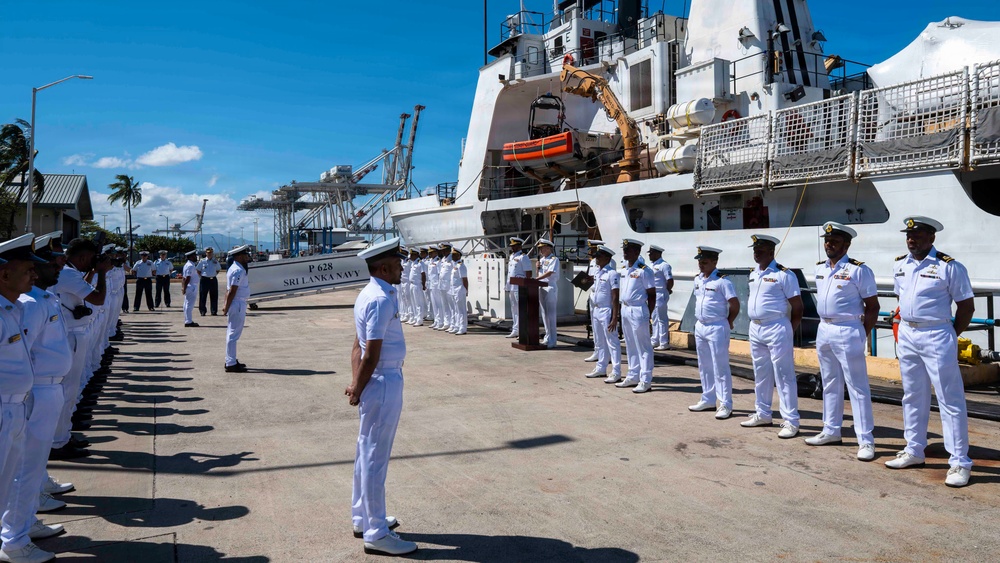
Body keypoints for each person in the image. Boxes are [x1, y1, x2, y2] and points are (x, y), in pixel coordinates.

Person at [887, 216, 974, 487]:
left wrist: (950, 335)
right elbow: (901, 300)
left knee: (950, 399)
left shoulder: (949, 267)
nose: (912, 240)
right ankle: (914, 450)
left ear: (932, 238)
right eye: (909, 235)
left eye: (919, 235)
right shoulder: (900, 265)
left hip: (937, 333)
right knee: (912, 395)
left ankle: (960, 461)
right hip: (909, 333)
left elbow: (966, 307)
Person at [344, 237, 417, 556]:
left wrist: (356, 383)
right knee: (375, 457)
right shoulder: (381, 299)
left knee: (365, 451)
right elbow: (370, 353)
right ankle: (376, 532)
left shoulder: (370, 293)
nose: (402, 268)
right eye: (398, 264)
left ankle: (363, 517)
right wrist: (358, 386)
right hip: (383, 379)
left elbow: (356, 345)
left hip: (375, 379)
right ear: (384, 268)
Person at [1, 234, 71, 561]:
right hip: (22, 400)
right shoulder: (24, 307)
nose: (35, 274)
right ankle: (14, 539)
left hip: (27, 397)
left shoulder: (17, 306)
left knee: (25, 468)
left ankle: (23, 525)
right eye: (28, 269)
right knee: (21, 471)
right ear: (4, 274)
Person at [806, 222, 880, 461]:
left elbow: (873, 306)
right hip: (824, 328)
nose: (829, 244)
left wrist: (862, 334)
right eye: (827, 241)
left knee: (857, 387)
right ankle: (831, 430)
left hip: (848, 329)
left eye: (835, 241)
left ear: (846, 245)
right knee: (829, 383)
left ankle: (866, 440)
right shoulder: (821, 269)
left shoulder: (859, 270)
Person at [51, 237, 111, 460]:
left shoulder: (71, 273)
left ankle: (63, 436)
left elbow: (84, 289)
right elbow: (98, 298)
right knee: (68, 391)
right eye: (90, 260)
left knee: (71, 390)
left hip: (76, 333)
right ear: (83, 257)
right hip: (71, 336)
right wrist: (102, 272)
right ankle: (58, 442)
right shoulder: (68, 273)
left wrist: (95, 272)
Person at [740, 234, 804, 438]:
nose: (756, 253)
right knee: (761, 373)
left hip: (777, 327)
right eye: (754, 249)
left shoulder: (784, 275)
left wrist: (789, 330)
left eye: (760, 249)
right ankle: (763, 413)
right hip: (756, 327)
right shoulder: (753, 274)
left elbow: (798, 306)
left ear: (771, 251)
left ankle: (791, 421)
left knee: (784, 375)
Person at [688, 246, 740, 419]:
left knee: (720, 366)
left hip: (717, 326)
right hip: (701, 326)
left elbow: (734, 304)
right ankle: (708, 399)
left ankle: (726, 404)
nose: (701, 265)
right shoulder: (698, 280)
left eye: (704, 262)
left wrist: (729, 321)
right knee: (704, 365)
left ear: (714, 262)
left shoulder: (723, 282)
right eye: (699, 262)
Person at [616, 239, 656, 393]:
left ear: (637, 252)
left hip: (638, 310)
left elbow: (652, 294)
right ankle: (633, 375)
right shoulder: (626, 269)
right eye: (624, 250)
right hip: (625, 309)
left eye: (628, 250)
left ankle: (646, 380)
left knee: (643, 346)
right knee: (630, 344)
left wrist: (649, 315)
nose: (625, 253)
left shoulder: (644, 270)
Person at [584, 245, 622, 383]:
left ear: (607, 258)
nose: (596, 259)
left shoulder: (612, 273)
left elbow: (615, 296)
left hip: (607, 310)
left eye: (599, 257)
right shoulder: (598, 272)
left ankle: (616, 371)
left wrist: (615, 316)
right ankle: (601, 368)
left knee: (612, 341)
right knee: (600, 340)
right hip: (596, 309)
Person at [222, 245, 252, 373]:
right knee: (233, 335)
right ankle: (230, 363)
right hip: (237, 303)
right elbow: (232, 291)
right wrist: (226, 307)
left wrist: (226, 305)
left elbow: (229, 290)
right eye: (245, 255)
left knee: (232, 334)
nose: (247, 257)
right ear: (239, 256)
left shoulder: (234, 268)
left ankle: (231, 359)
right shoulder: (238, 270)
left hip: (237, 303)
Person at [583, 240, 613, 362]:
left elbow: (608, 281)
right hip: (593, 295)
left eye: (593, 249)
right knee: (595, 328)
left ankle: (608, 354)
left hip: (604, 299)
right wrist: (582, 281)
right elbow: (592, 277)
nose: (590, 252)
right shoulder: (592, 262)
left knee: (605, 330)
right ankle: (597, 351)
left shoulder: (609, 264)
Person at [504, 237, 532, 339]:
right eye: (512, 246)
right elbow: (509, 273)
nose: (513, 247)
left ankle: (523, 331)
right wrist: (507, 286)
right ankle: (515, 330)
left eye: (515, 246)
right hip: (512, 286)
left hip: (520, 286)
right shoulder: (511, 256)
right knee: (514, 309)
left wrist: (527, 285)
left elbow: (528, 273)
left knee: (521, 309)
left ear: (520, 246)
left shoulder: (523, 257)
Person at [648, 244, 674, 351]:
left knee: (662, 318)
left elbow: (670, 280)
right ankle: (655, 339)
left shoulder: (664, 265)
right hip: (653, 294)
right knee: (654, 318)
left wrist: (666, 291)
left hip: (660, 293)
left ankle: (664, 342)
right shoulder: (651, 265)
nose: (650, 255)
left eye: (652, 253)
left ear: (658, 254)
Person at [535, 239, 560, 348]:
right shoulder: (542, 259)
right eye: (540, 248)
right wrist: (537, 268)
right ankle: (547, 337)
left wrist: (536, 279)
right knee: (544, 314)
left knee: (551, 315)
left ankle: (553, 340)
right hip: (541, 286)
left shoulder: (554, 259)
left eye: (543, 248)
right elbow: (539, 273)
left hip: (550, 286)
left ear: (549, 248)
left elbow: (549, 273)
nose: (541, 250)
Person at [447, 246, 468, 335]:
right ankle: (457, 326)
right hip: (453, 289)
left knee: (461, 310)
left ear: (459, 256)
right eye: (452, 255)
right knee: (455, 309)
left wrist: (466, 290)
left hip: (459, 289)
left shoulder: (461, 266)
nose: (452, 256)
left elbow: (465, 280)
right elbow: (447, 259)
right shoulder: (454, 265)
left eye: (454, 255)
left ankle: (462, 328)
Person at [197, 247, 222, 316]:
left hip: (213, 279)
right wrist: (202, 276)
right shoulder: (202, 261)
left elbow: (218, 269)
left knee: (214, 296)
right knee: (203, 296)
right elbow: (198, 270)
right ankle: (202, 311)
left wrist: (213, 275)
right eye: (208, 253)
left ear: (212, 253)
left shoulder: (215, 261)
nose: (209, 254)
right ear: (206, 253)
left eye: (211, 253)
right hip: (204, 279)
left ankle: (213, 311)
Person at [181, 250, 200, 328]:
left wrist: (183, 287)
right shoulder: (190, 266)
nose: (195, 257)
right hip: (191, 286)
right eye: (194, 256)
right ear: (191, 257)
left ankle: (187, 319)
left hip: (189, 286)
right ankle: (188, 321)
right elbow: (187, 278)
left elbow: (183, 278)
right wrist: (184, 287)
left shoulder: (187, 265)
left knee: (186, 304)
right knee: (189, 305)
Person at [406, 249, 425, 327]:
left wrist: (423, 285)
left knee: (418, 303)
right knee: (413, 302)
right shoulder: (413, 263)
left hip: (417, 284)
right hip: (412, 284)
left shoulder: (420, 263)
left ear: (416, 255)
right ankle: (416, 318)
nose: (410, 257)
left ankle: (419, 320)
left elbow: (423, 275)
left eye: (412, 255)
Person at [425, 247, 443, 330]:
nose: (430, 254)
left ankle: (441, 321)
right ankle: (436, 320)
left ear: (436, 253)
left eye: (431, 252)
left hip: (436, 286)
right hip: (431, 285)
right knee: (434, 304)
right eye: (429, 253)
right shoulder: (430, 262)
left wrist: (439, 285)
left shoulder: (438, 262)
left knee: (439, 304)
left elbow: (440, 275)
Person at [398, 248, 412, 323]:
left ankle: (410, 315)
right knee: (404, 299)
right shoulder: (402, 261)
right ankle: (406, 314)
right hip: (402, 282)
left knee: (409, 300)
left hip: (408, 282)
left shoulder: (409, 262)